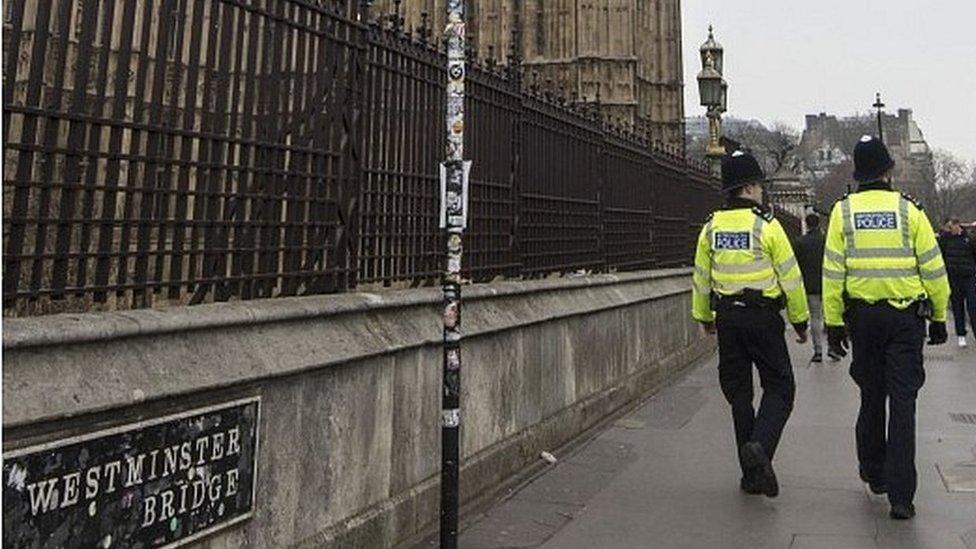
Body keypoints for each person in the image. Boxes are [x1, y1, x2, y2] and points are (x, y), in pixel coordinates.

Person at [822, 135, 950, 520]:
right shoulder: (910, 212)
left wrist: (832, 323)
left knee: (871, 397)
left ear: (857, 173)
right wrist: (940, 317)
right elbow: (933, 268)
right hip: (904, 320)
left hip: (863, 320)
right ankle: (902, 496)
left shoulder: (842, 214)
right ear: (889, 171)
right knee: (904, 403)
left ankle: (873, 471)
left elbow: (832, 273)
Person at [692, 151, 810, 498]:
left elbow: (701, 278)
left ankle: (750, 476)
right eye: (758, 185)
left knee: (739, 396)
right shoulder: (767, 226)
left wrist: (703, 317)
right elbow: (791, 278)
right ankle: (759, 447)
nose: (761, 191)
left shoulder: (710, 227)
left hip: (728, 318)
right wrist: (800, 321)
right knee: (780, 388)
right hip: (763, 317)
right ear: (748, 188)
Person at [937, 217, 976, 348]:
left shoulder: (969, 239)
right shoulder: (945, 240)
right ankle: (961, 335)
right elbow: (940, 256)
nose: (949, 230)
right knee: (957, 307)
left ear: (957, 225)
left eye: (951, 227)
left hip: (969, 277)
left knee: (973, 306)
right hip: (953, 278)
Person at [794, 213, 826, 362]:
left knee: (815, 317)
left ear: (806, 224)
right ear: (819, 223)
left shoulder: (800, 242)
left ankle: (818, 350)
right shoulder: (825, 241)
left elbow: (796, 266)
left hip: (810, 285)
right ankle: (833, 346)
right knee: (830, 316)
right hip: (827, 283)